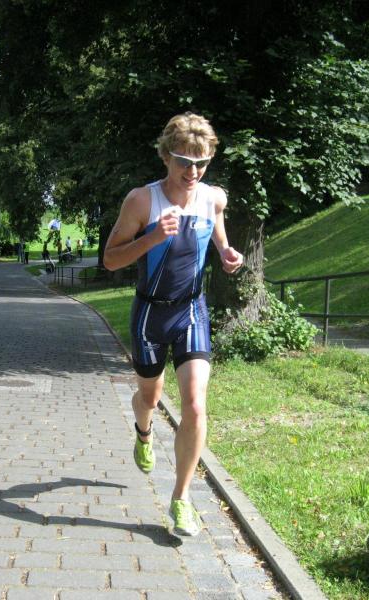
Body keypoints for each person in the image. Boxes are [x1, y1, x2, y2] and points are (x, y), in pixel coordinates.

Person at [103, 112, 243, 537]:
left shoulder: (213, 198)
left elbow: (219, 236)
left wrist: (227, 253)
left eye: (202, 163)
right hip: (150, 313)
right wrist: (151, 238)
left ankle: (181, 499)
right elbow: (110, 259)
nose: (192, 172)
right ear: (165, 157)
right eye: (184, 161)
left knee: (195, 405)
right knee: (150, 394)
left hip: (191, 311)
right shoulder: (141, 201)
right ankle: (143, 432)